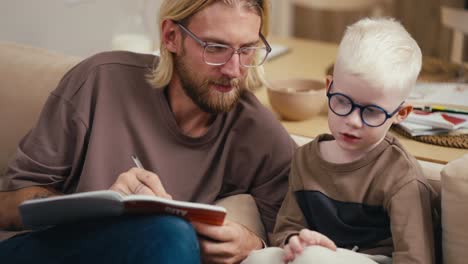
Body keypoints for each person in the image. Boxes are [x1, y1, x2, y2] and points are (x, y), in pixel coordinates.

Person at [0, 0, 296, 263]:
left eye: (246, 50)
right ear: (171, 37)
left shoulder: (259, 134)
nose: (233, 69)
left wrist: (252, 244)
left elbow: (298, 240)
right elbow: (7, 205)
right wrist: (95, 206)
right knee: (172, 234)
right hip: (51, 249)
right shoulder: (100, 81)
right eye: (215, 48)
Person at [242, 17, 438, 264]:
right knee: (259, 259)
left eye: (371, 111)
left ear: (400, 114)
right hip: (315, 256)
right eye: (343, 101)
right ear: (329, 86)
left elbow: (416, 258)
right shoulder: (306, 159)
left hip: (373, 259)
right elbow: (286, 227)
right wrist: (295, 240)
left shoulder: (402, 176)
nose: (353, 121)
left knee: (312, 258)